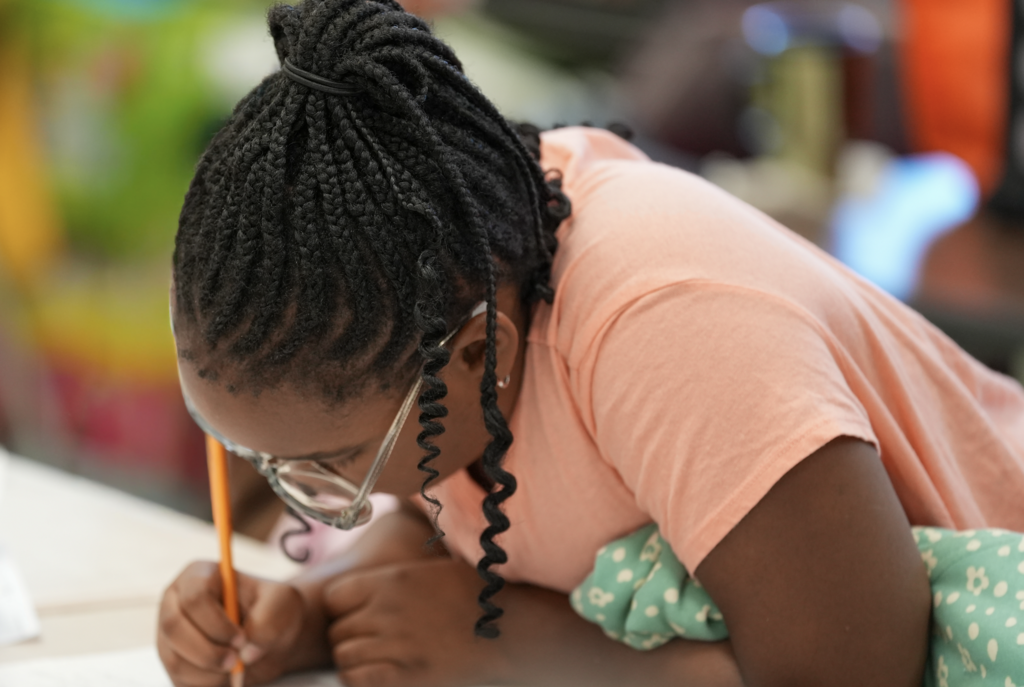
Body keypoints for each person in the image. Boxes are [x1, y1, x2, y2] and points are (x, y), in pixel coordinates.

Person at [157, 1, 1024, 686]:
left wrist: (522, 658)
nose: (306, 499)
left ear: (476, 355)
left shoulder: (667, 323)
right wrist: (303, 618)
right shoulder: (456, 273)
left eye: (328, 467)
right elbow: (471, 516)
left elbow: (859, 668)